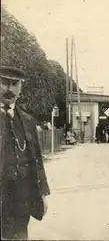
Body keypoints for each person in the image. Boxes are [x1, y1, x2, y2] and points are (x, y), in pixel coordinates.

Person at [0, 66, 50, 240]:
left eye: (15, 84)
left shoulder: (27, 120)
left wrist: (43, 193)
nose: (9, 89)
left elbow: (37, 159)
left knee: (20, 235)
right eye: (4, 83)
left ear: (21, 87)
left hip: (22, 195)